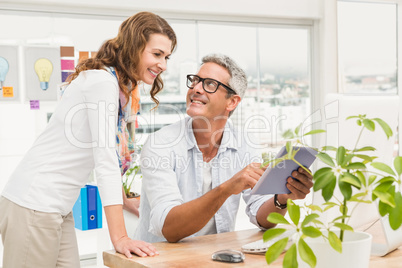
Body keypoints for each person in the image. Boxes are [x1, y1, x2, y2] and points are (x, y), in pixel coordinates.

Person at [0, 11, 176, 267]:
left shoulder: (117, 86)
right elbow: (104, 159)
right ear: (134, 47)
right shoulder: (102, 81)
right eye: (157, 54)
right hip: (35, 203)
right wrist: (121, 238)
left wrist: (126, 201)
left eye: (167, 57)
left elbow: (106, 158)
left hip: (58, 206)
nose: (163, 65)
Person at [134, 54, 313, 243]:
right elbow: (169, 228)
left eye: (209, 84)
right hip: (159, 259)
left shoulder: (245, 143)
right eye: (195, 81)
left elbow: (262, 217)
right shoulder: (160, 144)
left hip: (215, 256)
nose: (196, 88)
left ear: (232, 102)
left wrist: (281, 198)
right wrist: (228, 188)